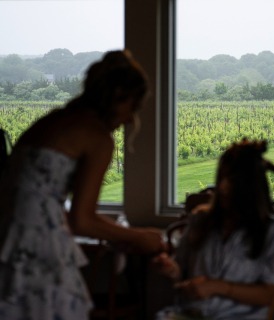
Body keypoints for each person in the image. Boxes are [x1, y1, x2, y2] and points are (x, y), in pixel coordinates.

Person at [0, 50, 165, 320]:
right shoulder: (97, 136)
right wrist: (139, 237)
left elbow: (35, 199)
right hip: (38, 246)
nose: (129, 119)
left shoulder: (50, 122)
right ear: (119, 97)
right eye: (132, 107)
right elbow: (82, 221)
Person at [153, 140, 274, 320]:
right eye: (222, 178)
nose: (224, 187)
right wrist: (171, 269)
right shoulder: (200, 220)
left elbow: (267, 295)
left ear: (252, 187)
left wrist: (217, 286)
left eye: (233, 181)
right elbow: (182, 272)